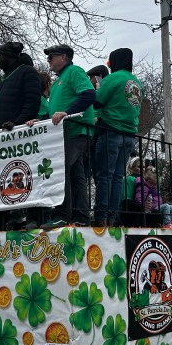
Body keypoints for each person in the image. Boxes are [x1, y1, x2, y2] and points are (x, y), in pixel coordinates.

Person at [38, 44, 96, 227]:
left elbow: (88, 95)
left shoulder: (74, 72)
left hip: (76, 130)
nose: (48, 61)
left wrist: (67, 113)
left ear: (64, 57)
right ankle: (81, 216)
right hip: (64, 134)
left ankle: (62, 214)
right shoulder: (58, 80)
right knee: (75, 174)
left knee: (60, 170)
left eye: (51, 57)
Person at [92, 48, 144, 226]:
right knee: (118, 177)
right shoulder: (137, 83)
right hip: (129, 135)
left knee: (104, 176)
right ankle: (112, 217)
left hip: (111, 131)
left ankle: (101, 217)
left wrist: (98, 89)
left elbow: (97, 101)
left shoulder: (113, 78)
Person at [0, 42, 41, 134]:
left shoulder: (27, 72)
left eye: (0, 56)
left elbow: (32, 102)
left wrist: (16, 123)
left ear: (9, 56)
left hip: (18, 132)